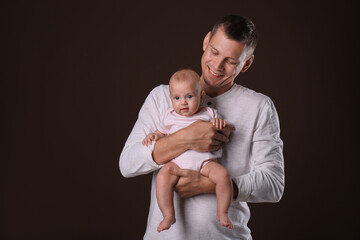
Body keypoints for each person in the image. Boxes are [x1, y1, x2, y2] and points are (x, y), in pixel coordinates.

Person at [120, 15, 285, 240]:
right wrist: (186, 138)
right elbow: (127, 164)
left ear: (246, 64)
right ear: (206, 41)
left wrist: (207, 185)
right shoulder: (162, 97)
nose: (217, 66)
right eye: (215, 52)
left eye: (231, 61)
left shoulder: (259, 107)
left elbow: (274, 184)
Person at [142, 69, 233, 232]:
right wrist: (153, 135)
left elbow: (219, 126)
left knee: (223, 176)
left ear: (201, 97)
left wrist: (219, 123)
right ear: (171, 99)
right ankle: (168, 214)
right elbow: (161, 132)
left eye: (189, 97)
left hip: (205, 162)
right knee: (162, 178)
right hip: (177, 163)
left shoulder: (209, 112)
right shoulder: (169, 116)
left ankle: (222, 212)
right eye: (177, 98)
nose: (183, 102)